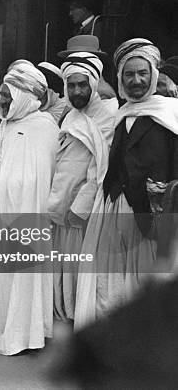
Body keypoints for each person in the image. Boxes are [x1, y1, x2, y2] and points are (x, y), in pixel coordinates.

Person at [74, 39, 178, 329]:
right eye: (129, 75)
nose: (136, 80)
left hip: (156, 217)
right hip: (116, 210)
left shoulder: (171, 115)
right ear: (120, 79)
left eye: (142, 73)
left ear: (153, 75)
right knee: (112, 286)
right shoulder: (123, 116)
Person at [0, 61, 59, 355]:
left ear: (25, 96)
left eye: (7, 95)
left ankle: (22, 334)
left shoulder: (44, 129)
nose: (1, 100)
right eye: (2, 94)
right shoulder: (3, 127)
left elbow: (40, 179)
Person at [47, 52, 117, 321]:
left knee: (82, 273)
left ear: (93, 83)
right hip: (61, 206)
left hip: (84, 212)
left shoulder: (108, 114)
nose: (77, 91)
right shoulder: (70, 114)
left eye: (82, 85)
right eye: (71, 85)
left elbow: (100, 167)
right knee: (64, 271)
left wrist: (80, 207)